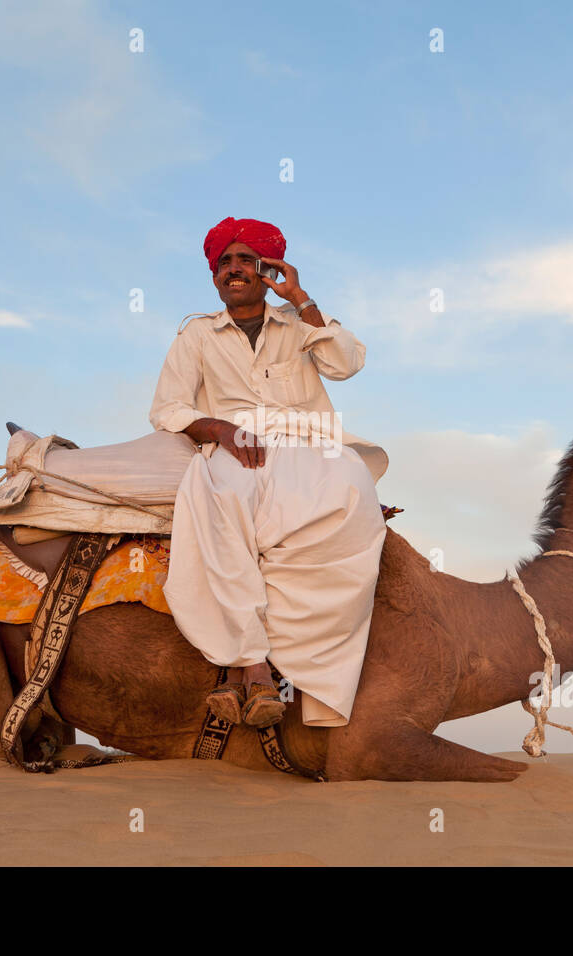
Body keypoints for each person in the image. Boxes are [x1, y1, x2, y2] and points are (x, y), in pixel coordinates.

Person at [149, 217, 389, 729]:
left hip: (309, 444)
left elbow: (346, 365)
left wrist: (301, 298)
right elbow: (168, 406)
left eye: (245, 260)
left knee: (352, 494)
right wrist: (217, 428)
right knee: (218, 505)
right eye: (224, 262)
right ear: (215, 275)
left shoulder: (299, 322)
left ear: (267, 269)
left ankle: (316, 675)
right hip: (235, 445)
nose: (233, 270)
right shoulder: (196, 333)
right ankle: (253, 668)